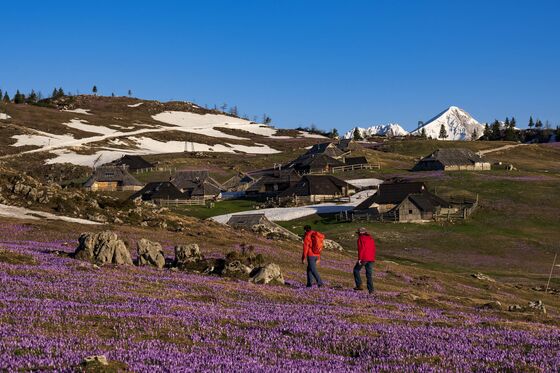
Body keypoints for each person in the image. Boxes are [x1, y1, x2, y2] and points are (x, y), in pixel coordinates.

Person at [353, 227, 376, 294]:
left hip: (364, 258)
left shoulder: (360, 239)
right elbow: (373, 249)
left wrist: (360, 259)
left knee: (356, 270)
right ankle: (371, 290)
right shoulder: (371, 239)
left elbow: (361, 249)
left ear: (360, 233)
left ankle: (359, 285)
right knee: (369, 275)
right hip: (371, 259)